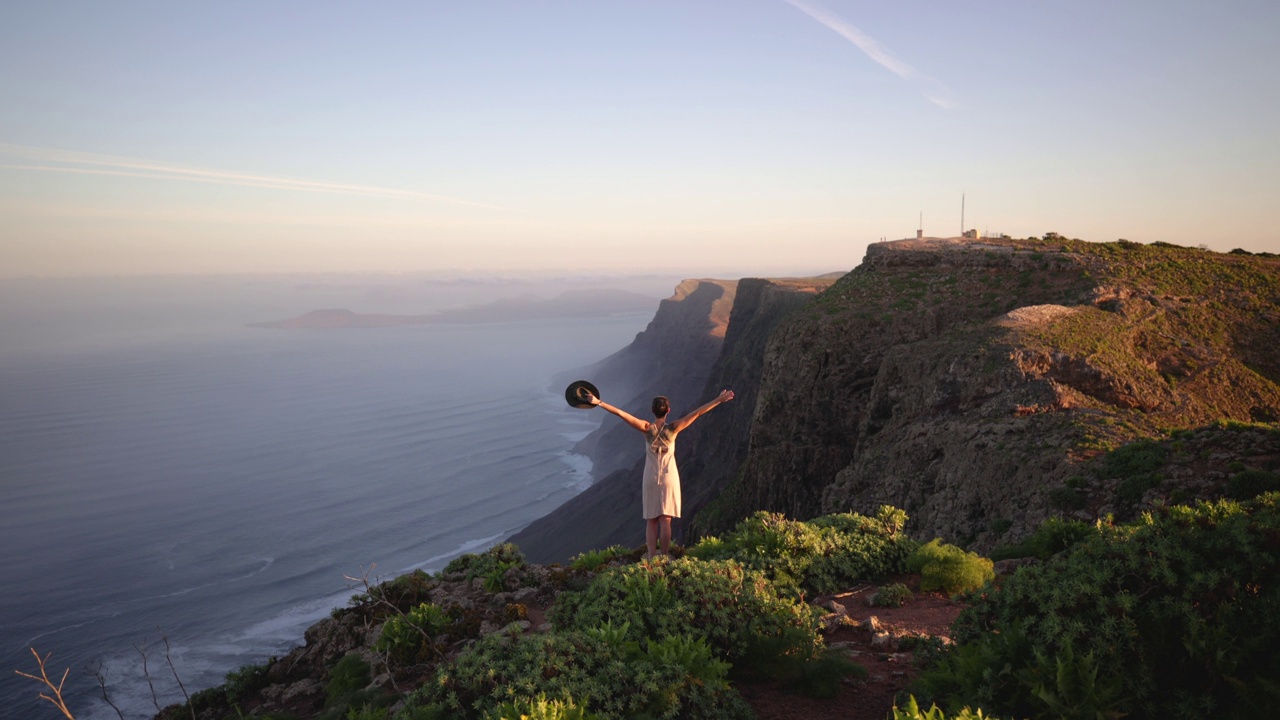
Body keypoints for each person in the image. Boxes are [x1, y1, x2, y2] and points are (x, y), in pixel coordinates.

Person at [583, 388, 734, 558]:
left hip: (650, 477)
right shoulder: (674, 428)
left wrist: (599, 402)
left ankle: (651, 555)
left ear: (652, 411)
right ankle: (664, 555)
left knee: (651, 520)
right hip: (669, 477)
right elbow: (697, 413)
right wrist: (719, 400)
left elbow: (621, 414)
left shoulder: (647, 428)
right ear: (668, 411)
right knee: (666, 519)